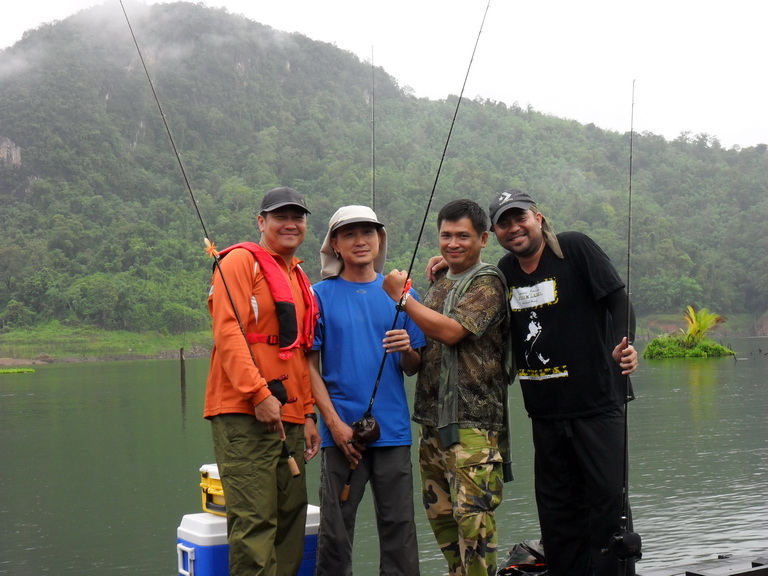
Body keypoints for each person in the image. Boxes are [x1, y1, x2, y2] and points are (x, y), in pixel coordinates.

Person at [478, 188, 638, 576]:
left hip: (597, 406)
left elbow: (618, 302)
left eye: (520, 218)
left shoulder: (574, 248)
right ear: (496, 232)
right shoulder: (505, 271)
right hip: (546, 414)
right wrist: (444, 270)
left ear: (538, 218)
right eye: (504, 222)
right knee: (557, 512)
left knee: (606, 508)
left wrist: (625, 344)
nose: (514, 228)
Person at [383, 198, 513, 576]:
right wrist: (408, 349)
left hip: (473, 428)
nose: (453, 243)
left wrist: (403, 298)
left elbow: (453, 332)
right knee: (442, 521)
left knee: (475, 525)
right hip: (432, 426)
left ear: (483, 238)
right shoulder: (438, 285)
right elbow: (424, 355)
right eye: (446, 236)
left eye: (463, 236)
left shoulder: (488, 283)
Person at [204, 186, 321, 576]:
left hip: (287, 414)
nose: (290, 224)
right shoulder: (239, 262)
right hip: (243, 411)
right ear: (261, 221)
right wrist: (257, 393)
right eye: (280, 217)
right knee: (254, 523)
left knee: (290, 519)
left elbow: (297, 351)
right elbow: (228, 330)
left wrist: (307, 414)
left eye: (297, 217)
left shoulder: (298, 275)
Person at [309, 205, 425, 576]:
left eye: (368, 233)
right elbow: (307, 366)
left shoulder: (401, 293)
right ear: (335, 245)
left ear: (380, 240)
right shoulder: (319, 295)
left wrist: (408, 347)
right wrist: (334, 425)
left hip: (392, 431)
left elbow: (414, 366)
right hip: (341, 435)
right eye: (350, 234)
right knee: (335, 532)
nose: (361, 241)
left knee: (400, 529)